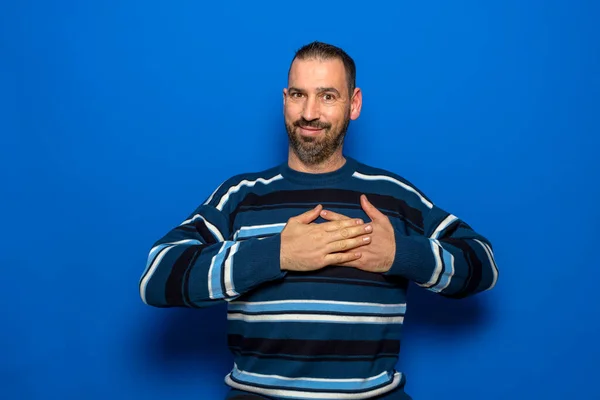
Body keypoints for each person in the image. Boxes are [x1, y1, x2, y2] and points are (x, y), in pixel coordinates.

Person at [139, 41, 499, 400]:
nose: (309, 112)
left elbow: (482, 262)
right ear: (285, 99)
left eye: (327, 96)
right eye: (298, 94)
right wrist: (276, 255)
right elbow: (157, 277)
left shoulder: (392, 194)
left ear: (353, 104)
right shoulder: (241, 194)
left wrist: (401, 255)